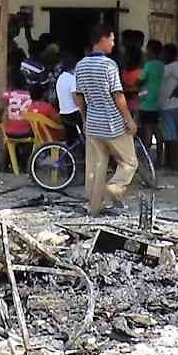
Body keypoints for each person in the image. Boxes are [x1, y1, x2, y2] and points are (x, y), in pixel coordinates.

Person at [73, 24, 139, 217]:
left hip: (93, 123)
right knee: (129, 162)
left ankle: (93, 207)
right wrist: (129, 120)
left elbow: (79, 97)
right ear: (102, 39)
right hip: (112, 123)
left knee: (96, 166)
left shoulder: (81, 65)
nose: (113, 43)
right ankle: (113, 189)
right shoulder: (109, 65)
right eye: (111, 39)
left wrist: (85, 118)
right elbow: (118, 95)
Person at [159, 43, 178, 171]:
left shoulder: (174, 67)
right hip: (167, 105)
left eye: (164, 53)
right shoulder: (167, 67)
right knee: (169, 135)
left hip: (171, 106)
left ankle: (173, 163)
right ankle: (170, 162)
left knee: (172, 136)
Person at [137, 40, 165, 154]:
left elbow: (140, 80)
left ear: (151, 51)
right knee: (158, 130)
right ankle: (160, 156)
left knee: (147, 130)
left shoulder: (149, 65)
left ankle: (146, 155)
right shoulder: (163, 65)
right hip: (159, 102)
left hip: (147, 102)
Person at [55, 52, 82, 141]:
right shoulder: (72, 79)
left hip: (63, 114)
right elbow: (76, 101)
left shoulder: (60, 78)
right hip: (74, 114)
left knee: (71, 138)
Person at [121, 48, 143, 116]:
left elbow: (146, 91)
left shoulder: (141, 73)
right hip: (124, 108)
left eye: (126, 56)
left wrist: (135, 94)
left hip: (137, 109)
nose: (123, 59)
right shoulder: (123, 72)